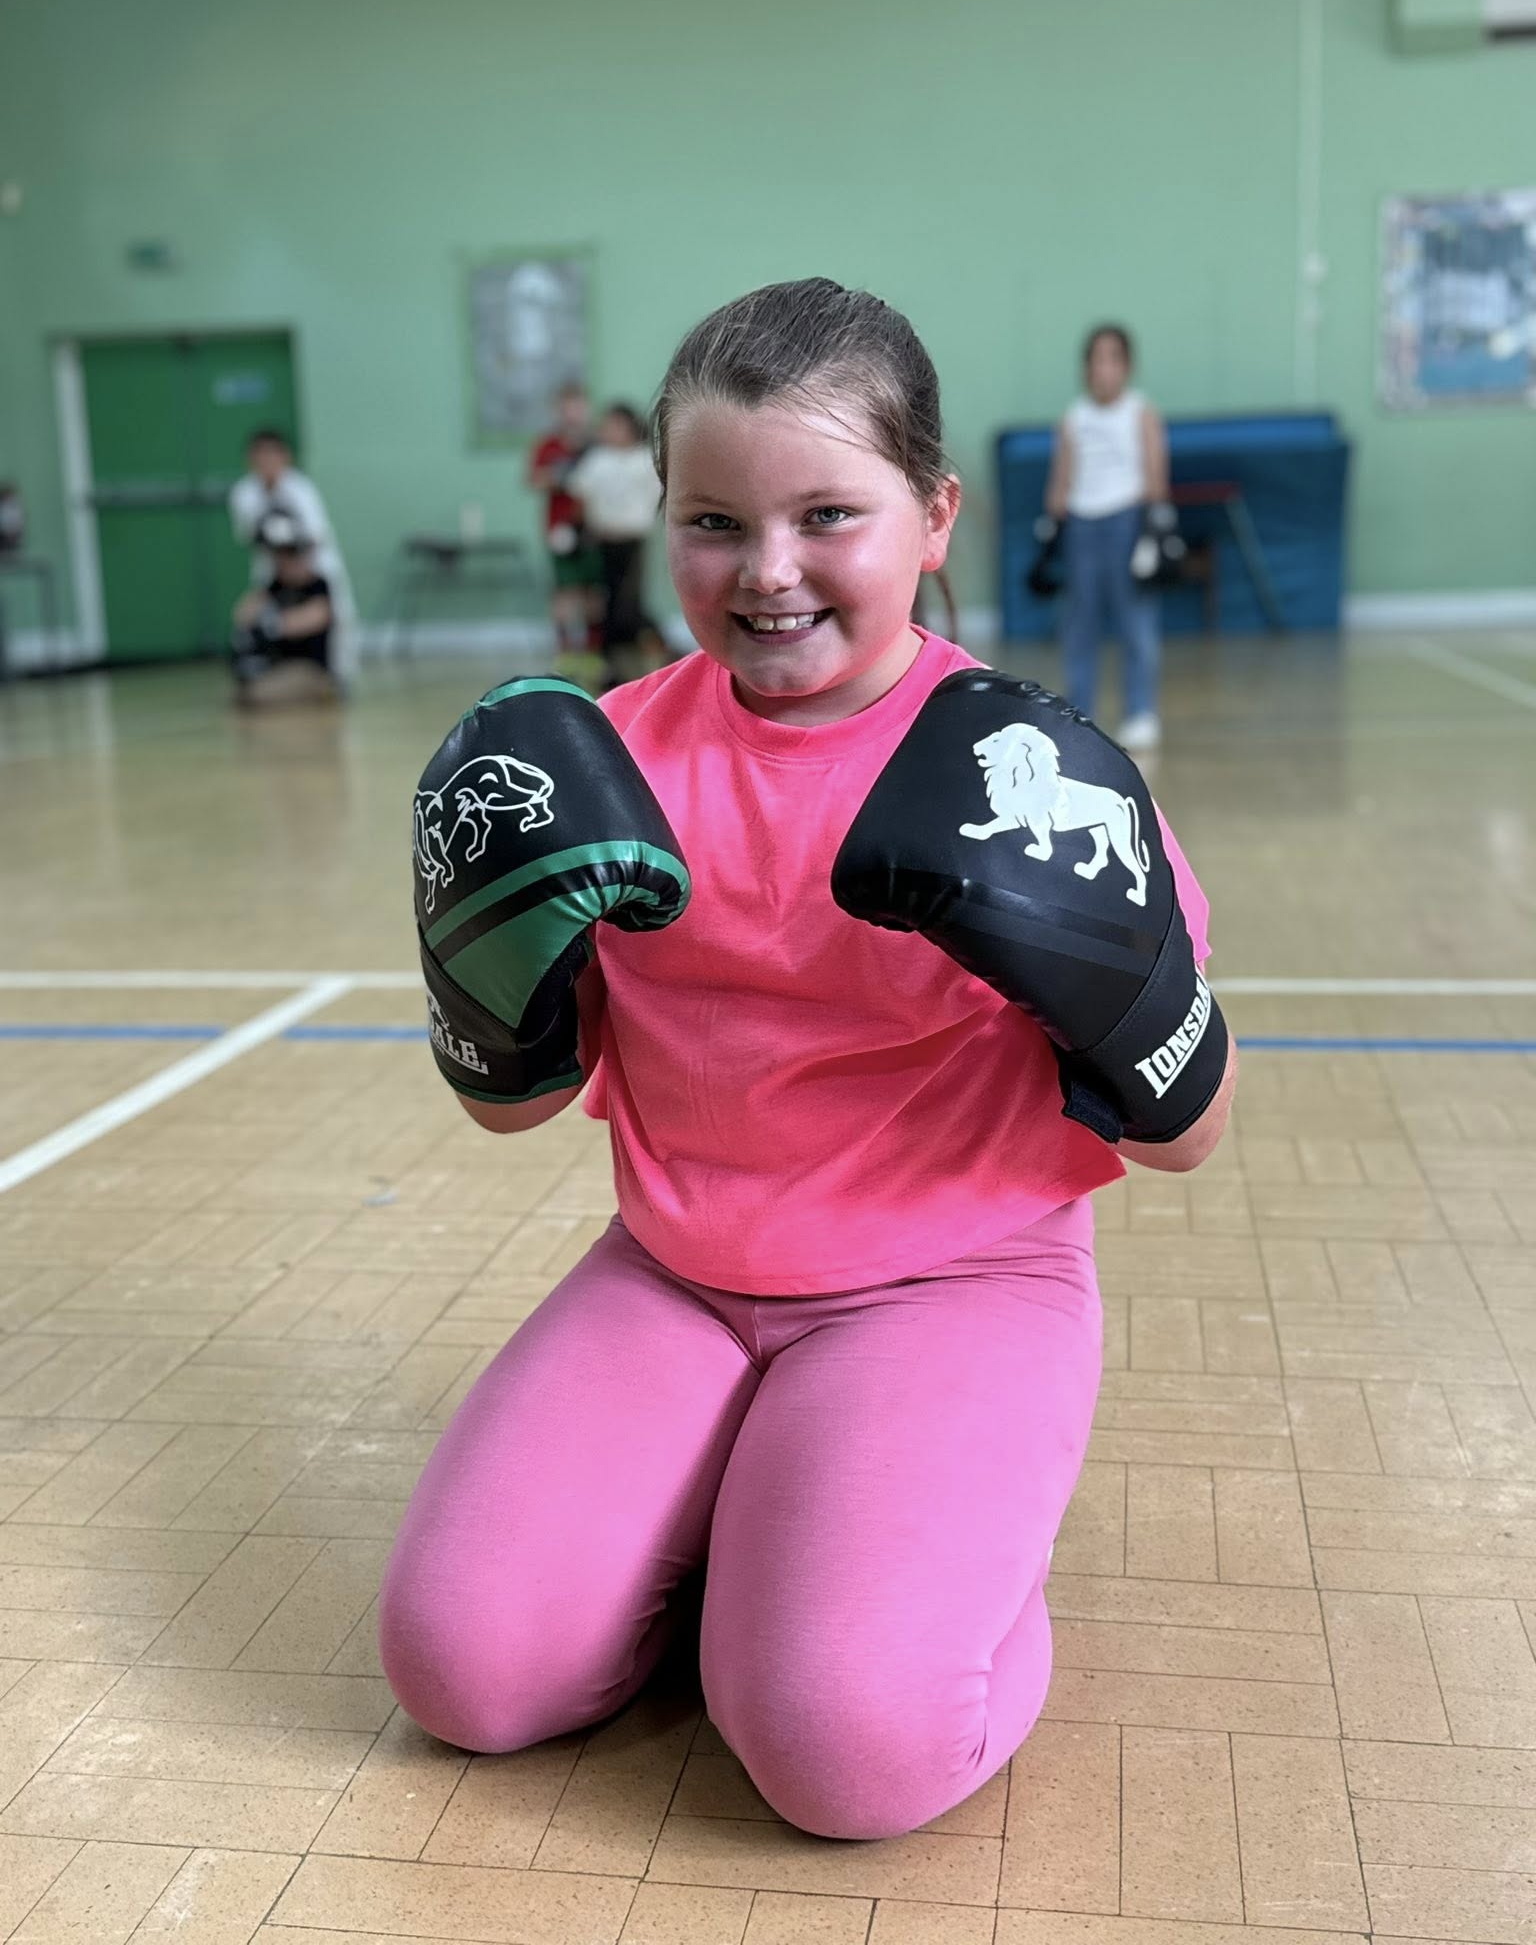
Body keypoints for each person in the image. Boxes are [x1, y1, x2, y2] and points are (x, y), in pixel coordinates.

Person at [383, 279, 1237, 1842]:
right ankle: (756, 1539)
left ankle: (950, 1573)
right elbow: (517, 1108)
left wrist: (1095, 970)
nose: (767, 572)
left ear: (935, 515)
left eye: (828, 514)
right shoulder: (604, 763)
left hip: (956, 1282)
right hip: (676, 1276)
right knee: (462, 1671)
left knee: (846, 1746)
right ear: (666, 522)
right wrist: (481, 970)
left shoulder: (1025, 772)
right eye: (714, 523)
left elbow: (1190, 1130)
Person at [1044, 324, 1172, 751]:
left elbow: (1155, 470)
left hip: (1127, 520)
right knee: (1080, 623)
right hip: (1083, 524)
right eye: (1096, 360)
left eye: (1112, 359)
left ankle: (1140, 711)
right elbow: (1062, 476)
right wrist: (1053, 522)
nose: (1103, 369)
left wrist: (1154, 525)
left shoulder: (1140, 413)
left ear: (1127, 367)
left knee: (1136, 620)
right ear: (1086, 368)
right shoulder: (1074, 417)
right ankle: (1080, 713)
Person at [228, 428, 358, 683]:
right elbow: (249, 537)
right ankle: (266, 666)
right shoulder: (244, 493)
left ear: (285, 457)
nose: (266, 462)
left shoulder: (300, 489)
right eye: (260, 456)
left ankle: (339, 674)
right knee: (257, 615)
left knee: (337, 614)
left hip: (313, 563)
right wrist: (280, 563)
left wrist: (298, 564)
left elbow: (315, 535)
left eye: (272, 455)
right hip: (272, 565)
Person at [566, 402, 667, 679]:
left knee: (628, 604)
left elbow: (659, 497)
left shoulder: (645, 459)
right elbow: (580, 496)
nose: (609, 431)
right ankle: (611, 665)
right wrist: (579, 531)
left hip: (633, 541)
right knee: (608, 604)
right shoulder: (597, 459)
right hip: (603, 541)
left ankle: (655, 648)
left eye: (615, 425)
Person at [229, 510, 337, 702]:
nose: (282, 562)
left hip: (310, 669)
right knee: (245, 688)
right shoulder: (275, 586)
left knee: (256, 695)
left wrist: (271, 625)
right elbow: (242, 614)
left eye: (287, 554)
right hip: (280, 666)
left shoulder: (317, 585)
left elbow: (315, 617)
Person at [526, 382, 599, 659]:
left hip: (594, 529)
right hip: (560, 530)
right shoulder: (549, 445)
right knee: (564, 591)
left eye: (577, 407)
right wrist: (564, 475)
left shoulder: (596, 444)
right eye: (567, 408)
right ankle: (566, 651)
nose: (572, 414)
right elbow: (534, 480)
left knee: (593, 592)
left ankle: (593, 650)